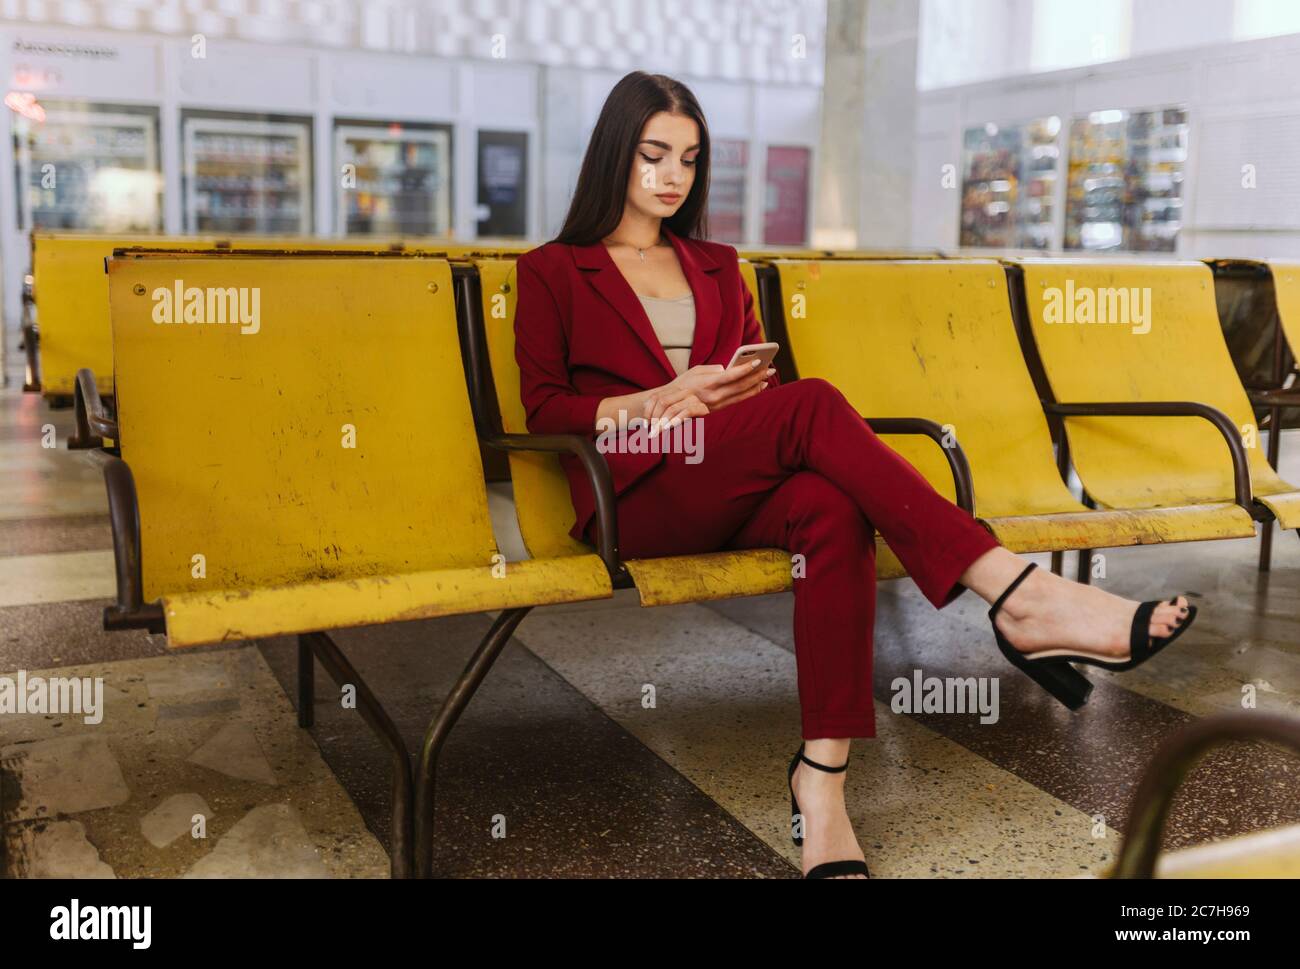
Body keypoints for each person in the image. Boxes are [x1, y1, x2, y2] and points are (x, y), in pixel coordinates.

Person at [513, 71, 1196, 879]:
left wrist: (727, 392)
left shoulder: (717, 264)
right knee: (814, 407)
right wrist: (665, 396)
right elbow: (546, 412)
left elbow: (751, 387)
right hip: (634, 493)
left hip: (727, 476)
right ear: (615, 156)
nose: (671, 176)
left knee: (831, 507)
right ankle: (1019, 593)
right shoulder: (554, 269)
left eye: (689, 160)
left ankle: (822, 783)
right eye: (652, 154)